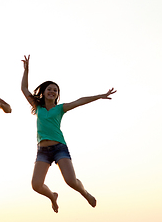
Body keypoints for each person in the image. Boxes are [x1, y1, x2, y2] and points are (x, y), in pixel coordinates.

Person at [20, 55, 116, 213]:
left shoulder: (60, 108)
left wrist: (100, 96)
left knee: (71, 181)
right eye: (49, 89)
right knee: (36, 185)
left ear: (57, 95)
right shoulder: (38, 107)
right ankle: (52, 196)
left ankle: (85, 193)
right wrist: (26, 70)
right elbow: (24, 89)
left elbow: (80, 100)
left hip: (59, 148)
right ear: (43, 92)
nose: (52, 91)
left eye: (55, 90)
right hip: (42, 151)